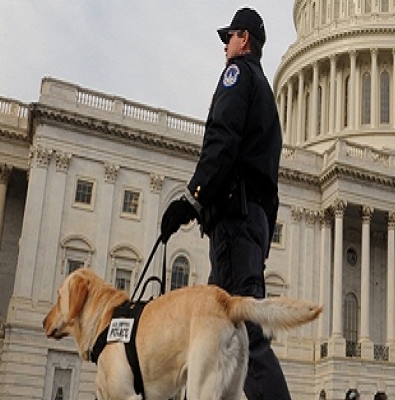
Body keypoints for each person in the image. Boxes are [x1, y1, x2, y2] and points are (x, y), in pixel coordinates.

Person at [160, 7, 291, 400]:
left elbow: (223, 138)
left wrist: (193, 198)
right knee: (216, 334)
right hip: (252, 222)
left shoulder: (237, 77)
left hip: (235, 221)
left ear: (244, 39)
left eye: (229, 37)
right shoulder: (266, 95)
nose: (225, 46)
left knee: (243, 329)